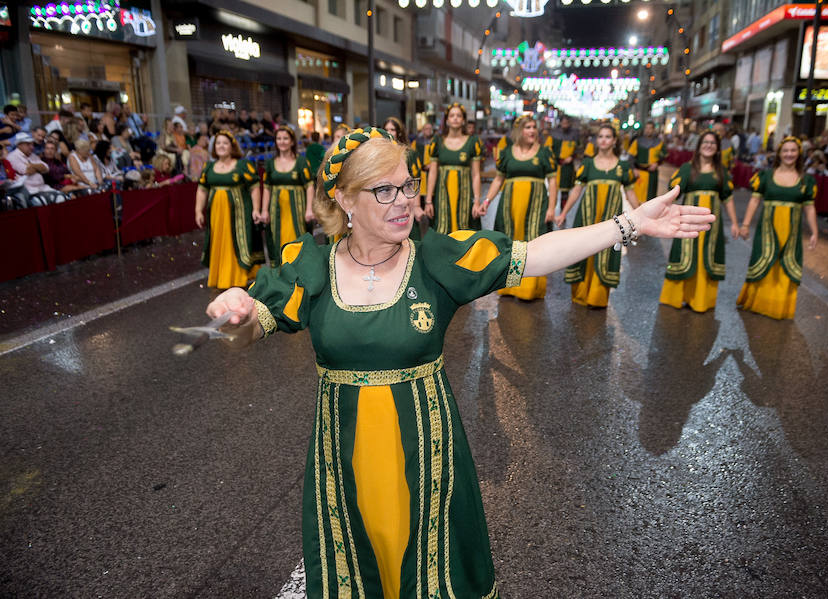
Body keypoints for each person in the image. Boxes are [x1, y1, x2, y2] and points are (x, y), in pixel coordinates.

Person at [201, 126, 714, 599]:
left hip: (427, 456)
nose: (404, 201)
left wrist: (629, 223)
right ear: (344, 199)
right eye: (385, 190)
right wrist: (234, 311)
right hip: (344, 461)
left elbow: (535, 254)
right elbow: (248, 329)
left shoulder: (435, 261)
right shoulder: (310, 266)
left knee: (430, 572)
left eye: (407, 185)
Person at [555, 122, 639, 307]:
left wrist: (643, 215)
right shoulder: (587, 164)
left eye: (608, 137)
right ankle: (580, 294)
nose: (603, 140)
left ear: (614, 141)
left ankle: (597, 297)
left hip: (612, 219)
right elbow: (576, 191)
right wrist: (563, 213)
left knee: (607, 251)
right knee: (584, 249)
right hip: (587, 216)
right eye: (600, 136)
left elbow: (631, 193)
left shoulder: (623, 166)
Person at [737, 136, 818, 320]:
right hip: (767, 231)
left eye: (793, 150)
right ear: (779, 153)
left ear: (799, 153)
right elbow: (754, 201)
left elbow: (810, 208)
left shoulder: (806, 180)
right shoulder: (765, 176)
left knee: (786, 265)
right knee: (763, 261)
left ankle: (780, 307)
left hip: (791, 234)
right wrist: (745, 225)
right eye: (785, 150)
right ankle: (757, 303)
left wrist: (814, 231)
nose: (789, 154)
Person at [659, 131, 739, 313]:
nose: (709, 145)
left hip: (712, 224)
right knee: (684, 254)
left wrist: (735, 223)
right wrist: (663, 212)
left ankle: (701, 301)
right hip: (688, 219)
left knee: (706, 256)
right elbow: (673, 192)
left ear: (717, 148)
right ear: (699, 145)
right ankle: (676, 297)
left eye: (712, 143)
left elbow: (728, 198)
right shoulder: (687, 168)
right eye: (705, 142)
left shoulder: (721, 171)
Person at [481, 114, 557, 300]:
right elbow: (498, 179)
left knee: (533, 242)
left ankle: (529, 288)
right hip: (510, 206)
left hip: (536, 205)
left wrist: (551, 208)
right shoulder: (507, 153)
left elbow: (553, 182)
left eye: (534, 127)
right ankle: (509, 286)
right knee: (511, 243)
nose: (532, 131)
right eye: (527, 127)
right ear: (518, 131)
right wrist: (487, 201)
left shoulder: (544, 153)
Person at [194, 131, 264, 289]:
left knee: (236, 242)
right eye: (218, 143)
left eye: (225, 143)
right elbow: (202, 190)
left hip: (239, 214)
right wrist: (198, 211)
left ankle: (238, 276)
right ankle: (222, 276)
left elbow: (254, 187)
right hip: (216, 215)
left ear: (232, 146)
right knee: (219, 242)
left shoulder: (243, 165)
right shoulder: (209, 167)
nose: (221, 146)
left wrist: (256, 209)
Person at [424, 103, 484, 234]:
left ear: (463, 120)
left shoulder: (473, 142)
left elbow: (476, 175)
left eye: (459, 115)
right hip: (442, 195)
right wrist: (428, 201)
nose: (455, 118)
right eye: (452, 115)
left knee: (465, 231)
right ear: (447, 120)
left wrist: (477, 201)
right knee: (442, 230)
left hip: (465, 195)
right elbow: (433, 172)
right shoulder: (437, 141)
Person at [262, 126, 315, 256]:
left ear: (292, 141)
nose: (282, 141)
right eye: (279, 138)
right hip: (276, 210)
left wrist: (309, 209)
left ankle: (298, 267)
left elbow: (309, 186)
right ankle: (280, 267)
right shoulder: (270, 163)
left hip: (297, 209)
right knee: (277, 238)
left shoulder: (301, 162)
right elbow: (267, 188)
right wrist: (264, 210)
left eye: (285, 138)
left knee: (298, 237)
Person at [383, 116, 426, 239]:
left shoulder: (409, 154)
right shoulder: (380, 155)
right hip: (386, 201)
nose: (389, 133)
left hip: (405, 200)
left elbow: (415, 182)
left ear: (399, 132)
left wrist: (417, 207)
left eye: (392, 130)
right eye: (386, 130)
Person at [7, 132, 67, 205]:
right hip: (30, 191)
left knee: (62, 198)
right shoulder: (12, 157)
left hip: (43, 188)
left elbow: (46, 168)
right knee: (42, 202)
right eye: (28, 144)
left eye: (32, 144)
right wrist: (38, 168)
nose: (32, 147)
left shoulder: (32, 155)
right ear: (19, 145)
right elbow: (27, 170)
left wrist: (32, 165)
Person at [543, 115, 579, 213]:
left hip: (567, 168)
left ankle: (563, 213)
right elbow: (547, 149)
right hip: (555, 166)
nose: (565, 125)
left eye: (567, 123)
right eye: (563, 122)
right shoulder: (554, 134)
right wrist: (552, 160)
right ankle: (550, 212)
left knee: (565, 192)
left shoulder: (574, 134)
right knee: (552, 190)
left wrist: (572, 157)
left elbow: (578, 149)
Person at [628, 121, 667, 204]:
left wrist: (657, 163)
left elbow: (664, 155)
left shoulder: (659, 142)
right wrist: (634, 169)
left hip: (653, 174)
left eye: (650, 128)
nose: (648, 130)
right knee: (637, 198)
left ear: (654, 130)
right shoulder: (637, 141)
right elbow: (630, 157)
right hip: (640, 173)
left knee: (650, 199)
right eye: (646, 128)